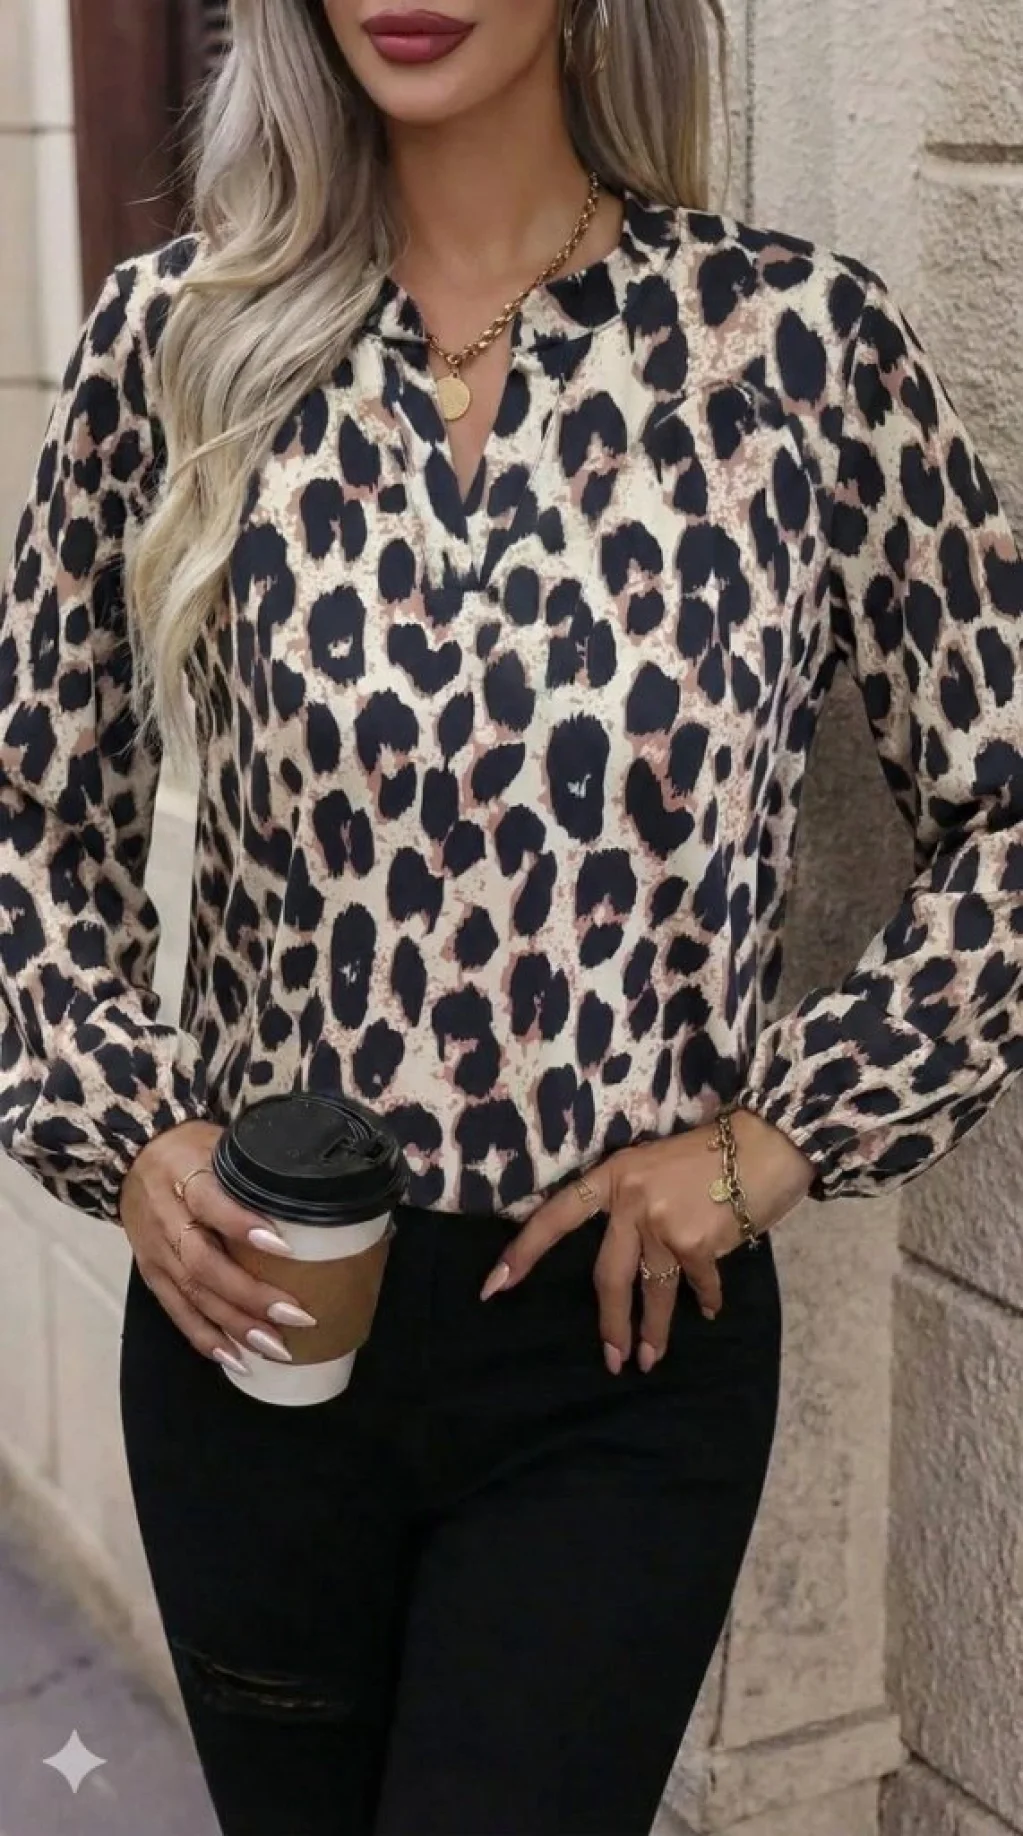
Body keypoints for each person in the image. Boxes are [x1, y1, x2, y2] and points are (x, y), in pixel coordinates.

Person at [1, 0, 1022, 1830]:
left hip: (620, 1363)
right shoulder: (180, 342)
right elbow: (28, 821)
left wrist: (787, 1134)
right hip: (257, 1326)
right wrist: (128, 1127)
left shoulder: (794, 349)